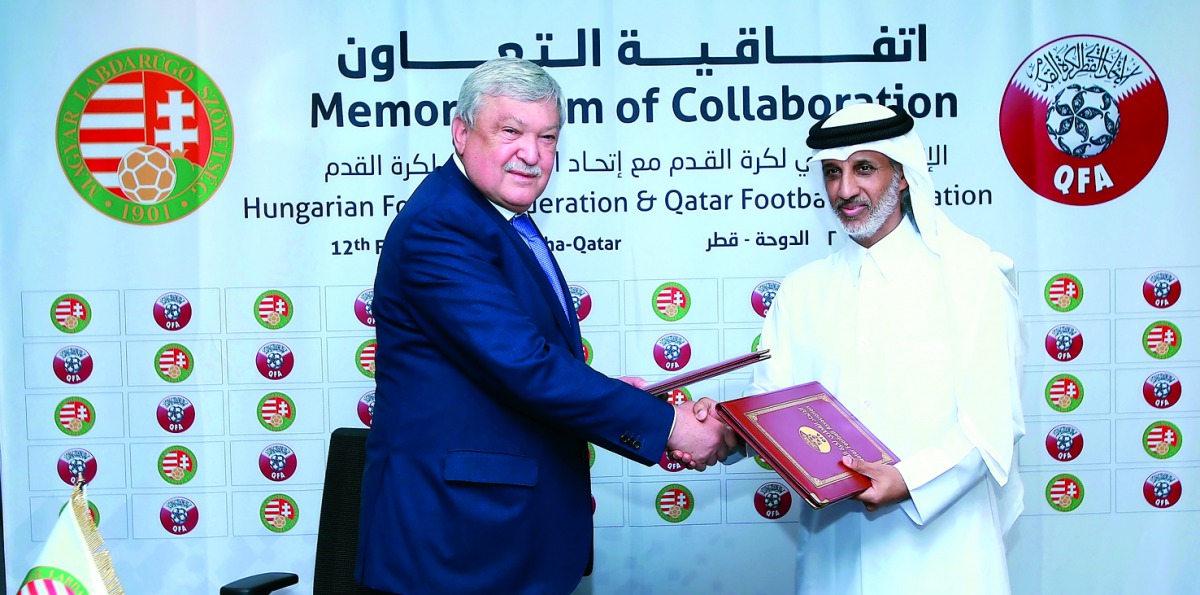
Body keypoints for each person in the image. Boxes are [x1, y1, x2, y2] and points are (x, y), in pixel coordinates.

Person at [355, 57, 730, 595]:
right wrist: (668, 425)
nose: (532, 155)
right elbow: (523, 365)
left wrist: (605, 393)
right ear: (461, 133)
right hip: (457, 545)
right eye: (511, 132)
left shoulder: (497, 218)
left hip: (497, 537)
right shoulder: (441, 226)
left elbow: (512, 363)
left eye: (547, 137)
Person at [723, 103, 1026, 594]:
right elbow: (772, 408)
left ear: (902, 175)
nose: (845, 190)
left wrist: (907, 479)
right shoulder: (803, 291)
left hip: (944, 557)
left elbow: (992, 425)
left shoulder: (971, 277)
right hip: (834, 556)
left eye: (864, 168)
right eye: (832, 173)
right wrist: (725, 428)